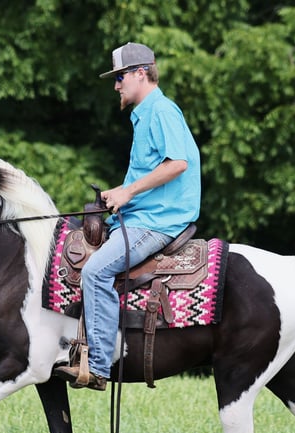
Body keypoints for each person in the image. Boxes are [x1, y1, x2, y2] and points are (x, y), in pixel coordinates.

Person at [55, 42, 201, 391]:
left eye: (120, 77)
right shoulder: (146, 114)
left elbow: (177, 164)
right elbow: (152, 173)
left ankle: (99, 365)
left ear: (140, 73)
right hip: (143, 214)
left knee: (95, 271)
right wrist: (117, 194)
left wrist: (128, 192)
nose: (116, 85)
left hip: (158, 221)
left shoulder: (161, 110)